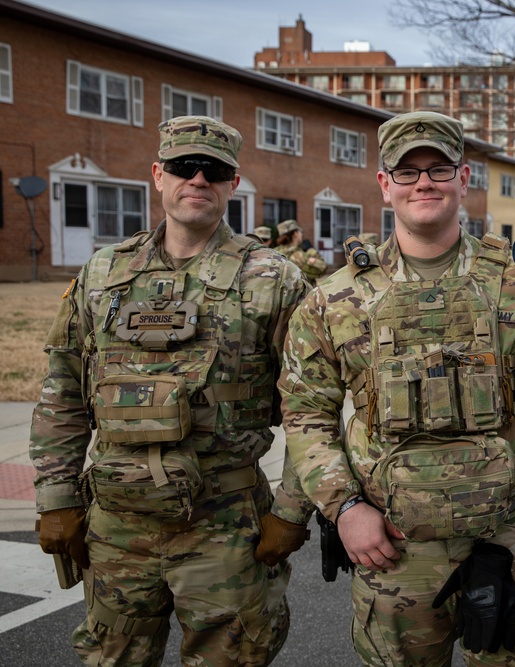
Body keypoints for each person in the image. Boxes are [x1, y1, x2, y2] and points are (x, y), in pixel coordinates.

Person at [278, 110, 515, 666]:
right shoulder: (335, 300)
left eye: (439, 169)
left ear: (464, 180)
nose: (424, 182)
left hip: (511, 532)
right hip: (394, 546)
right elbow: (305, 416)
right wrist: (344, 507)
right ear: (385, 184)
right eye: (408, 170)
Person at [30, 115, 314, 666]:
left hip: (226, 527)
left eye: (216, 171)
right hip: (116, 527)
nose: (199, 180)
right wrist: (56, 497)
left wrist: (291, 510)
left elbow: (311, 406)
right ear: (158, 175)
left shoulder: (272, 278)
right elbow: (63, 388)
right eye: (185, 167)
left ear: (233, 184)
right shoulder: (102, 274)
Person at [274, 219, 328, 285]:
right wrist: (313, 254)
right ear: (295, 234)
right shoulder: (299, 256)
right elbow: (322, 269)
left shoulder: (274, 252)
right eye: (300, 232)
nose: (302, 234)